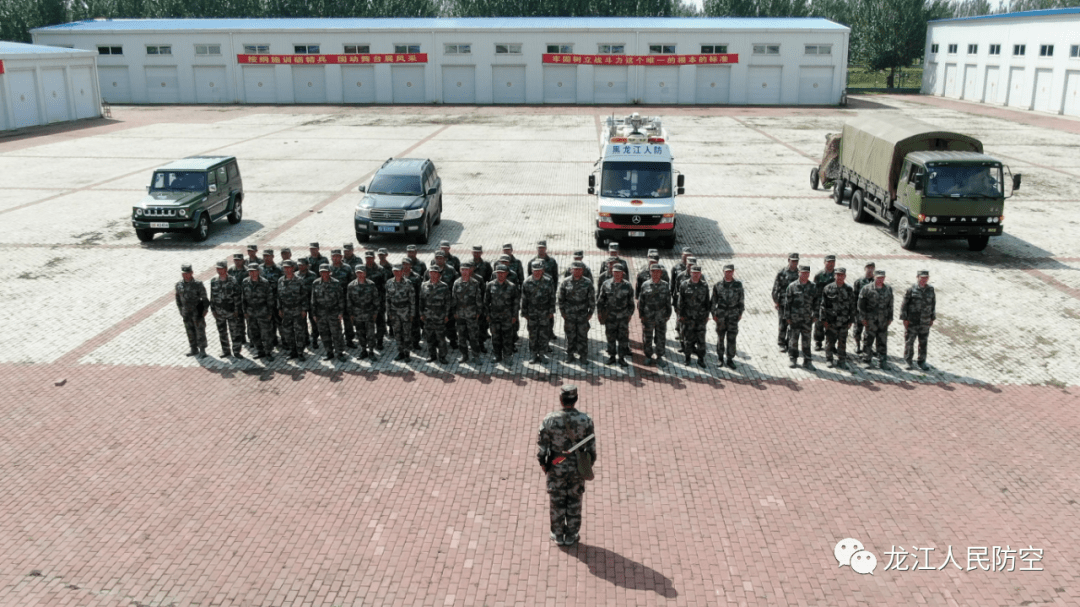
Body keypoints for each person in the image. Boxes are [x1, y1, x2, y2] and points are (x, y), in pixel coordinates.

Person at [537, 385, 596, 547]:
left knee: (556, 500)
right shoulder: (586, 420)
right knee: (575, 500)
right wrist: (587, 464)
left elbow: (542, 448)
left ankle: (557, 534)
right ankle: (571, 534)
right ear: (575, 399)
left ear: (561, 400)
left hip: (556, 465)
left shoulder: (549, 420)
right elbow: (591, 450)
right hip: (577, 466)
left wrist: (544, 464)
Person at [818, 267, 857, 369]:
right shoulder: (828, 288)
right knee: (830, 341)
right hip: (831, 321)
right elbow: (823, 305)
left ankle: (841, 361)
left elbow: (852, 306)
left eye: (841, 275)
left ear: (845, 276)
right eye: (838, 275)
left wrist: (851, 320)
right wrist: (823, 320)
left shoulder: (849, 289)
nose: (839, 277)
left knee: (842, 342)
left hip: (844, 321)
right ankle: (829, 359)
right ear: (834, 276)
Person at [596, 263, 635, 366]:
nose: (617, 274)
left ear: (623, 273)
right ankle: (612, 356)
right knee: (610, 337)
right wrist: (600, 313)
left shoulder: (628, 285)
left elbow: (631, 302)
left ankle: (621, 358)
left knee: (623, 338)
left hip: (623, 317)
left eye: (619, 272)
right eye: (615, 272)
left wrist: (629, 314)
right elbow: (600, 300)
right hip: (610, 317)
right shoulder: (606, 284)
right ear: (612, 272)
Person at [558, 261, 596, 364]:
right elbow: (561, 298)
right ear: (571, 270)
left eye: (579, 269)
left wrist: (590, 313)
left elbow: (592, 299)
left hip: (582, 315)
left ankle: (583, 356)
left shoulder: (588, 282)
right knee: (570, 336)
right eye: (575, 269)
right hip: (569, 315)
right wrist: (562, 312)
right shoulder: (565, 282)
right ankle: (570, 355)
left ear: (582, 271)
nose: (577, 271)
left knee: (582, 336)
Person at [521, 260, 557, 363]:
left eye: (539, 270)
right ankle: (533, 354)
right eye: (535, 270)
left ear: (543, 270)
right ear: (532, 270)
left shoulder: (548, 281)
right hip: (532, 313)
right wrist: (524, 313)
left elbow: (552, 297)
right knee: (533, 335)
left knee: (544, 335)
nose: (537, 272)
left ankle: (542, 354)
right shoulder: (527, 282)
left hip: (544, 313)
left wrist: (551, 311)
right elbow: (524, 299)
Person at [710, 264, 744, 370]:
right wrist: (713, 314)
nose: (728, 273)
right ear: (723, 272)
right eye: (726, 271)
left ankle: (730, 359)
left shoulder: (738, 285)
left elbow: (741, 300)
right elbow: (713, 301)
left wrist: (740, 313)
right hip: (721, 316)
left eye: (730, 271)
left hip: (733, 316)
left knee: (732, 338)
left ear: (733, 272)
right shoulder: (718, 285)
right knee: (720, 338)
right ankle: (720, 358)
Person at [858, 269, 894, 370]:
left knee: (882, 341)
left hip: (883, 321)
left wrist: (890, 317)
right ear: (874, 277)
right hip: (870, 321)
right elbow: (861, 305)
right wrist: (863, 318)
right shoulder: (867, 289)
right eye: (878, 278)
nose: (880, 280)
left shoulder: (888, 289)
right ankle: (866, 360)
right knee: (868, 341)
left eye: (882, 278)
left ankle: (882, 362)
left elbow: (890, 305)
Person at [900, 270, 936, 371]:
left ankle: (922, 361)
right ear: (917, 277)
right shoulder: (911, 289)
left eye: (926, 278)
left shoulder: (931, 290)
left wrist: (932, 318)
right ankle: (908, 361)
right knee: (909, 342)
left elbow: (933, 304)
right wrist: (904, 319)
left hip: (925, 321)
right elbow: (904, 305)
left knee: (923, 342)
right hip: (912, 321)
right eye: (922, 277)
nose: (923, 280)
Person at [637, 263, 671, 366]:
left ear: (661, 273)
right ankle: (648, 356)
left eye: (658, 272)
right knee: (647, 338)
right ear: (650, 273)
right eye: (653, 272)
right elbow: (641, 302)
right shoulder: (645, 285)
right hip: (648, 317)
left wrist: (668, 315)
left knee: (661, 338)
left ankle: (659, 357)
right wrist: (641, 315)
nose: (655, 274)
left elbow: (668, 301)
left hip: (661, 317)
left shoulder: (665, 285)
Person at [485, 264, 520, 364]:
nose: (500, 275)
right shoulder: (490, 285)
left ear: (507, 274)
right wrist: (487, 314)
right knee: (495, 337)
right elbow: (486, 301)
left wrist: (515, 316)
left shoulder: (512, 286)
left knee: (507, 338)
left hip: (507, 317)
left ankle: (507, 356)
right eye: (498, 273)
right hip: (494, 317)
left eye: (503, 273)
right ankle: (497, 355)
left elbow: (516, 303)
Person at [312, 264, 347, 362]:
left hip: (333, 312)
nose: (324, 274)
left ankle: (340, 353)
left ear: (330, 272)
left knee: (337, 333)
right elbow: (313, 299)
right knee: (324, 334)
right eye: (322, 272)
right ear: (320, 273)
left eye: (326, 272)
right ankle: (329, 352)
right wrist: (314, 313)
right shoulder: (316, 283)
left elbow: (341, 299)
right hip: (321, 313)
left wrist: (341, 312)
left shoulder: (336, 283)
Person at [677, 265, 710, 368]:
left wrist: (707, 315)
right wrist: (681, 315)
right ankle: (687, 358)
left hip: (700, 318)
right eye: (694, 272)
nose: (695, 274)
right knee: (688, 340)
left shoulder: (704, 286)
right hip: (688, 318)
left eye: (697, 273)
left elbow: (707, 302)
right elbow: (680, 302)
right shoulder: (684, 285)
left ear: (700, 274)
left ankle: (701, 359)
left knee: (701, 340)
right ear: (690, 273)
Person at [784, 265, 816, 370]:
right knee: (793, 340)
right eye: (803, 273)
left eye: (807, 273)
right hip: (794, 319)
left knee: (807, 341)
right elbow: (787, 303)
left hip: (807, 319)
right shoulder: (792, 286)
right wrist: (787, 316)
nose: (805, 275)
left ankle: (807, 361)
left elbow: (817, 302)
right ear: (799, 273)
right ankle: (793, 359)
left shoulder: (813, 287)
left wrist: (816, 315)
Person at [452, 262, 485, 363]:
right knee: (461, 337)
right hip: (460, 315)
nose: (465, 272)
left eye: (466, 270)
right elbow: (454, 299)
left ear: (470, 271)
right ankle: (464, 355)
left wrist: (478, 312)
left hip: (472, 314)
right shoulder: (456, 283)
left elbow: (478, 299)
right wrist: (454, 312)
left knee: (473, 336)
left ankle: (476, 356)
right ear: (460, 271)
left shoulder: (475, 283)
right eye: (463, 270)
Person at [210, 260, 243, 359]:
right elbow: (212, 296)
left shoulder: (233, 280)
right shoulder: (213, 281)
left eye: (221, 269)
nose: (219, 271)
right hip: (219, 312)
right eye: (218, 269)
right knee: (222, 332)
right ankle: (226, 351)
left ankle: (236, 351)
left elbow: (237, 296)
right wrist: (213, 310)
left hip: (231, 312)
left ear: (226, 269)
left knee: (235, 332)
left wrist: (237, 310)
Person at [276, 259, 308, 361]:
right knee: (288, 332)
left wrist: (304, 309)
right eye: (284, 268)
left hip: (297, 309)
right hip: (286, 311)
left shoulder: (299, 280)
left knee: (299, 332)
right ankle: (292, 351)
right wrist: (279, 308)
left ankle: (300, 352)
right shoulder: (280, 280)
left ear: (293, 268)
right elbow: (279, 296)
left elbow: (304, 296)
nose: (286, 269)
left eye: (288, 267)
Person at [241, 264, 275, 361]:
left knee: (266, 333)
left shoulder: (265, 282)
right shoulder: (245, 282)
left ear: (258, 271)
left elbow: (270, 298)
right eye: (250, 271)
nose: (252, 273)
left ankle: (268, 352)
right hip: (251, 313)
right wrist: (244, 311)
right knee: (254, 333)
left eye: (254, 271)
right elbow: (243, 298)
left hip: (263, 312)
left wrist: (270, 312)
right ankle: (260, 351)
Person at [175, 264, 209, 358]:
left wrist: (205, 310)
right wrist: (181, 310)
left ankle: (202, 349)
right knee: (189, 331)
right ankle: (193, 348)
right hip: (186, 312)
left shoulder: (198, 284)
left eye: (187, 273)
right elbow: (178, 299)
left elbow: (204, 298)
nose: (185, 275)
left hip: (197, 312)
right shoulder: (179, 285)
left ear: (192, 273)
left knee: (200, 330)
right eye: (183, 273)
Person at [420, 266, 452, 364]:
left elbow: (448, 302)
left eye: (435, 273)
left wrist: (446, 315)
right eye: (431, 273)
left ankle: (442, 356)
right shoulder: (424, 285)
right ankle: (432, 355)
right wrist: (421, 313)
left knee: (441, 338)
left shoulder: (444, 286)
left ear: (439, 274)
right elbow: (421, 301)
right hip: (428, 316)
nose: (433, 275)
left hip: (440, 316)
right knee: (429, 337)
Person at [347, 266, 380, 360]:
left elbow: (376, 299)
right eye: (358, 273)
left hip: (369, 312)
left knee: (370, 333)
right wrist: (351, 313)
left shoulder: (371, 284)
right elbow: (349, 300)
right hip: (357, 313)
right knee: (360, 333)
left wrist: (375, 312)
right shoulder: (351, 285)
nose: (360, 275)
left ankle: (371, 351)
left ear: (365, 273)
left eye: (361, 272)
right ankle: (363, 350)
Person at [385, 263, 415, 362]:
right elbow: (387, 299)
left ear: (402, 272)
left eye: (398, 271)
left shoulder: (408, 283)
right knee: (397, 333)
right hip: (394, 312)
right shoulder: (389, 283)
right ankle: (400, 352)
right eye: (394, 271)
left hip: (405, 312)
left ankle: (407, 353)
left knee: (406, 333)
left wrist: (412, 313)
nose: (396, 273)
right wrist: (388, 313)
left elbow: (412, 300)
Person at [772, 253, 801, 353]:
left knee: (793, 324)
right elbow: (776, 288)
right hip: (783, 303)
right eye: (793, 261)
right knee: (782, 324)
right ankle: (781, 343)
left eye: (796, 261)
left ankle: (789, 342)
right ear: (789, 260)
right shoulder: (782, 273)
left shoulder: (800, 274)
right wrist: (776, 301)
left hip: (795, 304)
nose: (794, 263)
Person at [329, 249, 355, 349]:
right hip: (333, 300)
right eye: (334, 256)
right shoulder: (329, 268)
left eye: (338, 256)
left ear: (341, 257)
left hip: (345, 297)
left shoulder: (347, 268)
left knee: (348, 320)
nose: (336, 258)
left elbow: (352, 283)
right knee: (335, 321)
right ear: (331, 257)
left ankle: (349, 340)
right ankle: (337, 341)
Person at [259, 249, 284, 348]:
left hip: (276, 300)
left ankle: (284, 341)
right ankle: (272, 341)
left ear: (273, 256)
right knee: (268, 322)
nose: (266, 258)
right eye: (264, 256)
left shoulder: (279, 269)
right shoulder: (260, 269)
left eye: (268, 256)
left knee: (280, 322)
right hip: (264, 301)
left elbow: (282, 285)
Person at [812, 255, 837, 351]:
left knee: (832, 325)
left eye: (832, 262)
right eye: (828, 262)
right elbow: (814, 290)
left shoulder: (837, 275)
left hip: (833, 304)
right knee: (819, 324)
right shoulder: (819, 275)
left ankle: (831, 344)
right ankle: (818, 342)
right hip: (820, 303)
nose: (830, 264)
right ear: (824, 262)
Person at [852, 263, 876, 354]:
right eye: (868, 268)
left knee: (870, 331)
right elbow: (854, 297)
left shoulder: (876, 281)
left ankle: (868, 347)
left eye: (872, 268)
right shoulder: (858, 282)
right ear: (865, 269)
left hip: (871, 311)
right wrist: (854, 311)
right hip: (860, 310)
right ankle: (857, 345)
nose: (870, 270)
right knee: (857, 329)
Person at [296, 259, 318, 351]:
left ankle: (315, 339)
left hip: (311, 302)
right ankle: (306, 339)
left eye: (302, 265)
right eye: (299, 265)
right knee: (302, 322)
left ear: (307, 265)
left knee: (314, 322)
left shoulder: (313, 275)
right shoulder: (295, 275)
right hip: (301, 303)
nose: (300, 267)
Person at [227, 253, 249, 344]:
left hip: (246, 299)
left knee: (248, 319)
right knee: (238, 319)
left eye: (239, 260)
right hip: (235, 300)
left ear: (243, 260)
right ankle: (242, 338)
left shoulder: (247, 271)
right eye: (235, 260)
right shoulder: (230, 270)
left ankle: (252, 339)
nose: (237, 262)